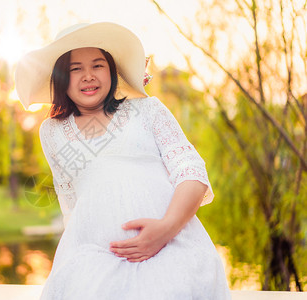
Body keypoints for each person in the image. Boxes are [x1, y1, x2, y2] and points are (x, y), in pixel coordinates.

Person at [15, 22, 231, 300]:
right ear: (60, 77)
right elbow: (71, 201)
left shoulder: (147, 109)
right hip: (94, 258)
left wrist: (166, 228)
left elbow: (191, 171)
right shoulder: (53, 131)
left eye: (97, 65)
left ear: (112, 71)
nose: (88, 76)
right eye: (75, 68)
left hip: (173, 245)